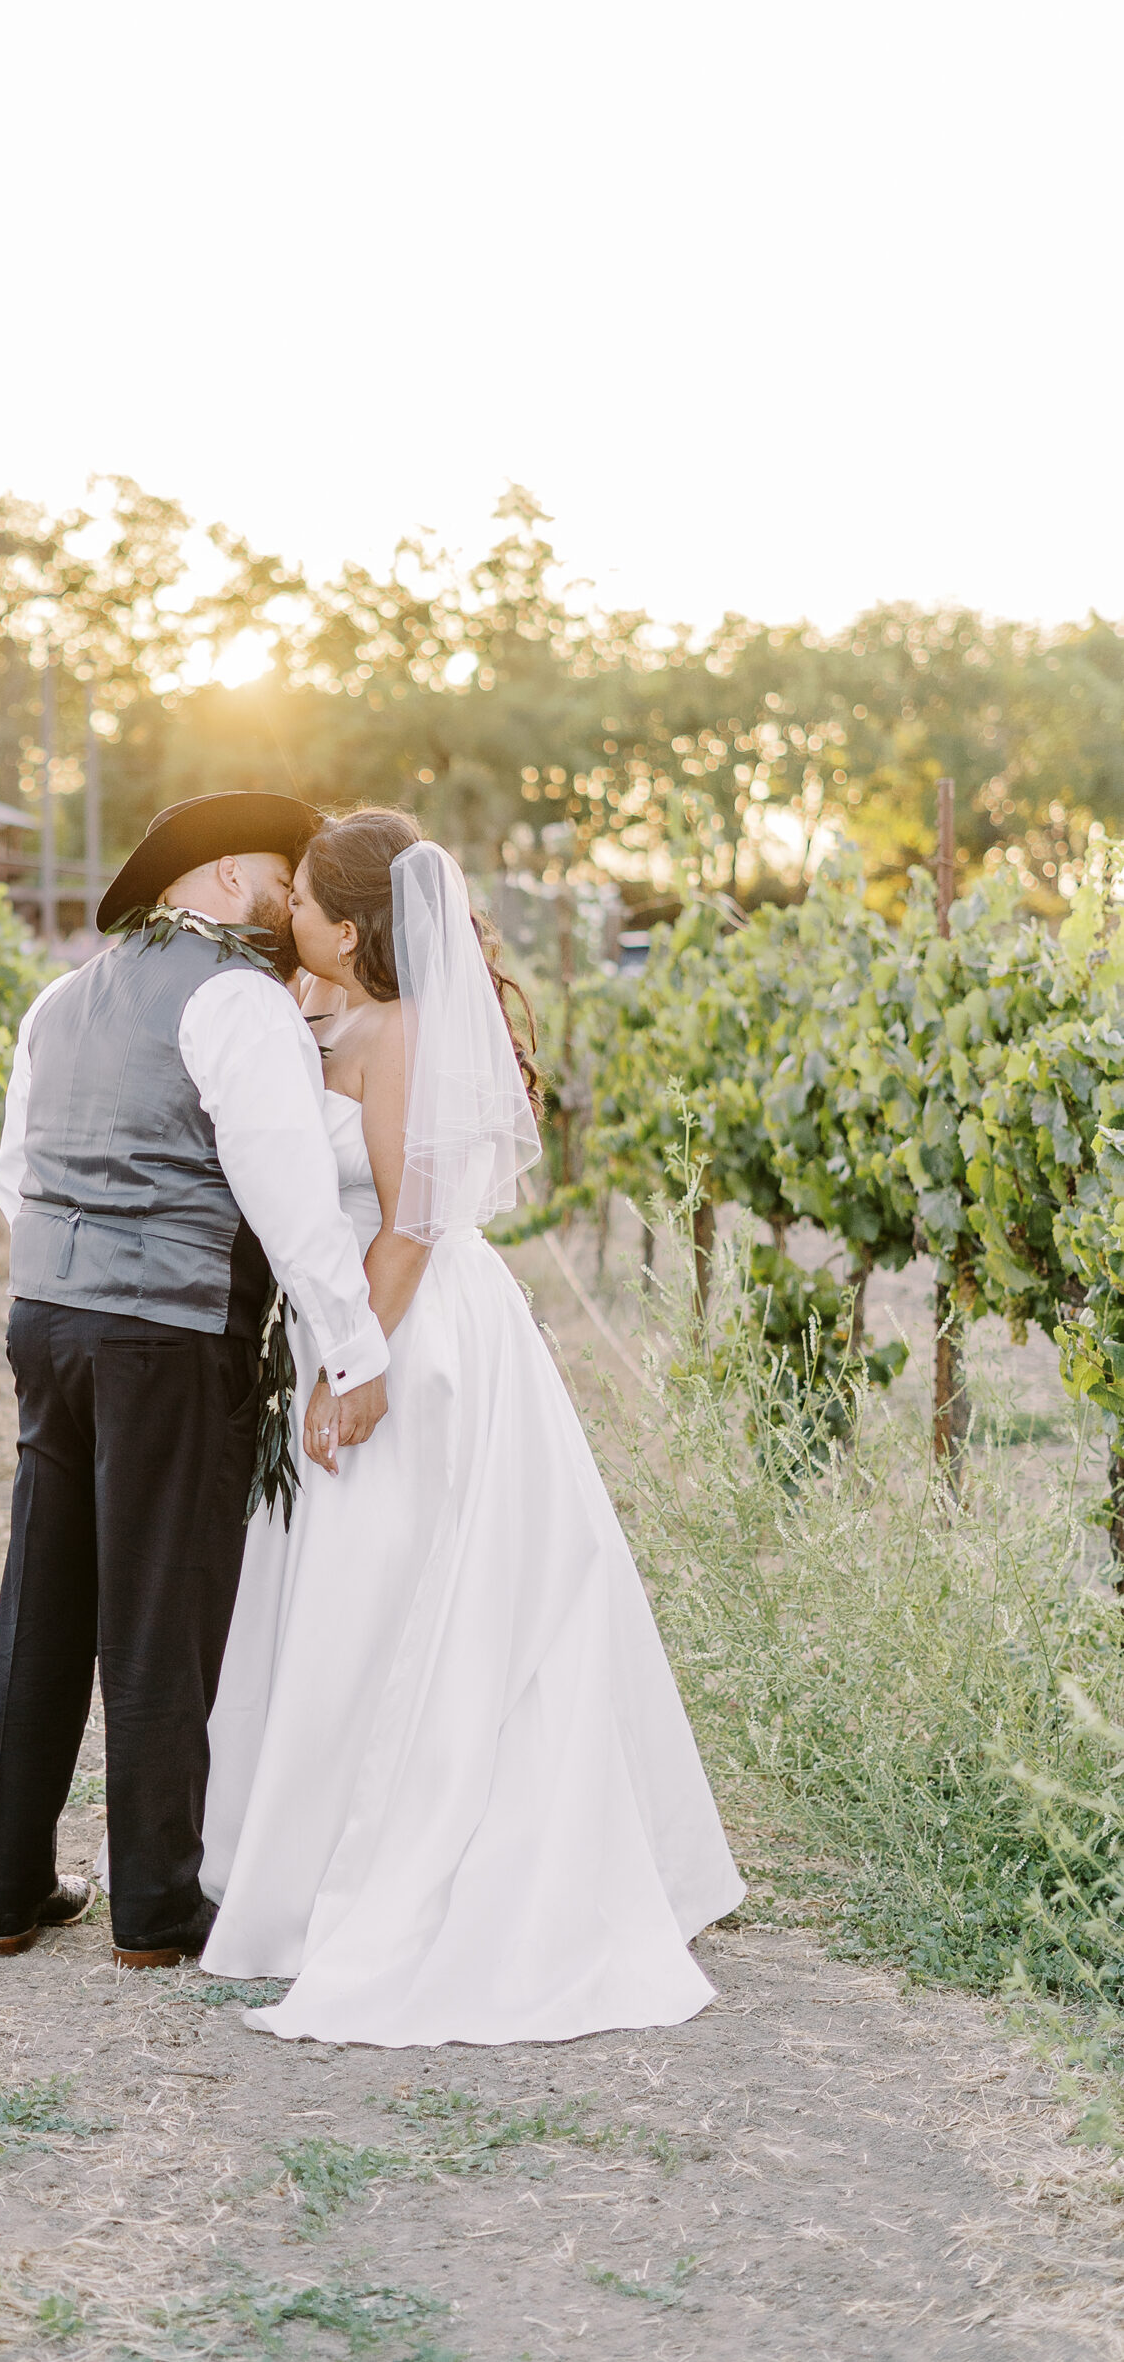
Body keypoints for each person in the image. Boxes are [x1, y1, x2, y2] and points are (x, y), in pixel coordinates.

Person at [201, 808, 745, 2045]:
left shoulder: (393, 1034)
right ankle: (313, 1846)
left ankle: (390, 1851)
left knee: (404, 1588)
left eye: (304, 907)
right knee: (376, 1588)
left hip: (413, 1329)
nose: (286, 915)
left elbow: (406, 1225)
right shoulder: (356, 1008)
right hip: (406, 1319)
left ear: (352, 926)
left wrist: (355, 1365)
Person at [0, 792, 391, 1968]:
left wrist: (77, 1266)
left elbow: (20, 1172)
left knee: (43, 1604)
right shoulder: (239, 1000)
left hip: (47, 1317)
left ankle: (9, 1891)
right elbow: (285, 1192)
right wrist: (352, 1343)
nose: (289, 896)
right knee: (161, 1612)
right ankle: (154, 1905)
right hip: (165, 1335)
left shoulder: (60, 997)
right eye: (277, 874)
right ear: (215, 880)